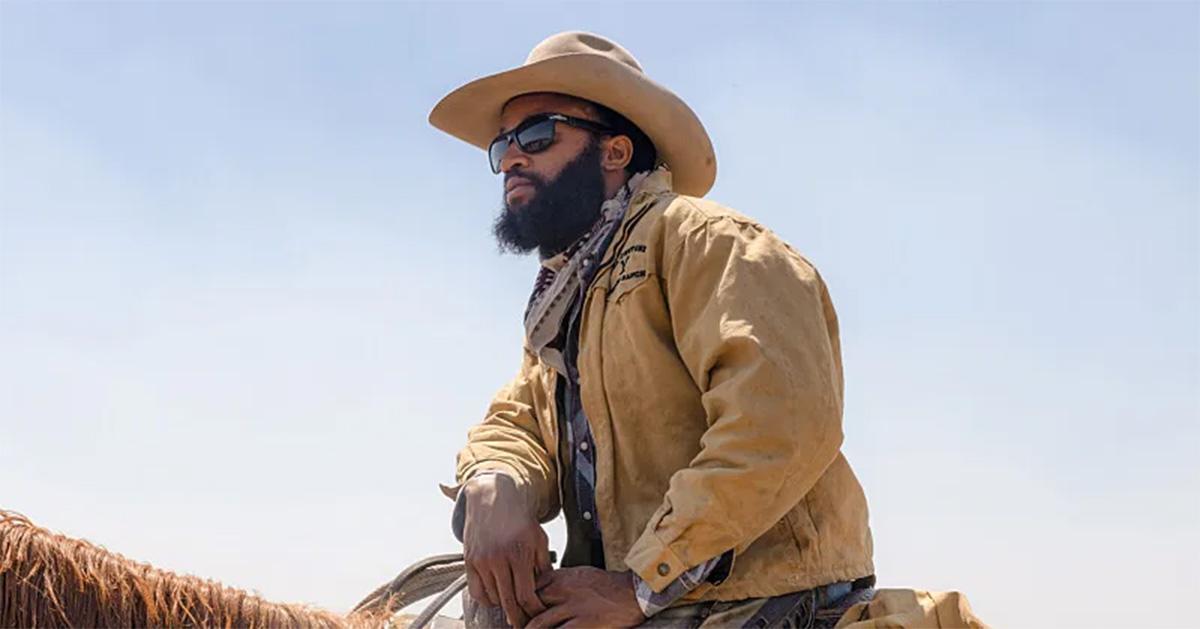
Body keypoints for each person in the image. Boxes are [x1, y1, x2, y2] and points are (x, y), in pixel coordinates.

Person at [430, 31, 875, 628]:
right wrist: (492, 484)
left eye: (536, 135)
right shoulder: (564, 307)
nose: (510, 157)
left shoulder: (709, 242)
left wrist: (640, 586)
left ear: (614, 153)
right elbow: (517, 421)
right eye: (501, 145)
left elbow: (780, 423)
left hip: (761, 599)